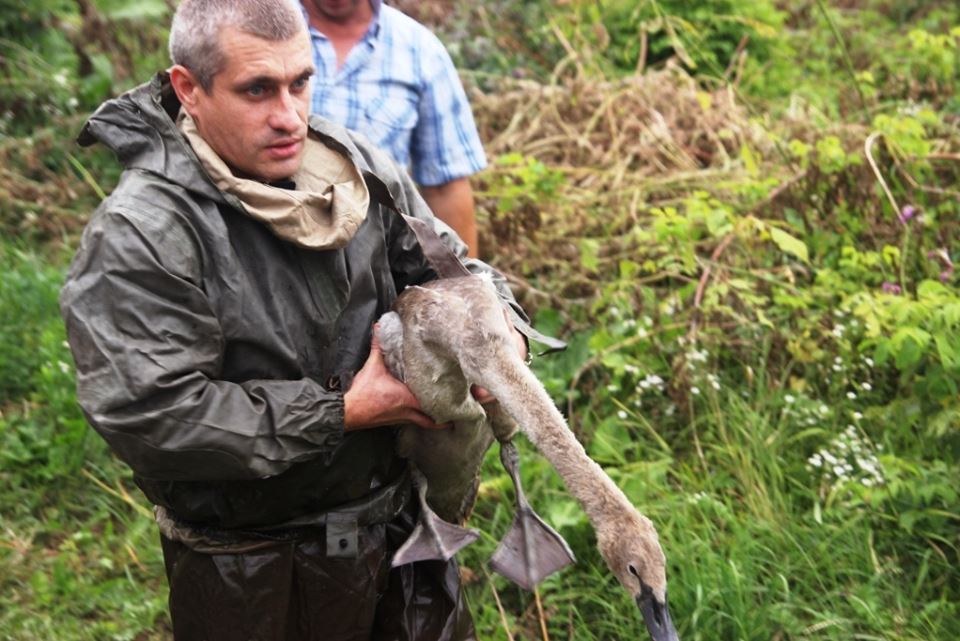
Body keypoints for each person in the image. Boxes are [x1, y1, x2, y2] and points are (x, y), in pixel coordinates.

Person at [59, 1, 533, 639]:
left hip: (401, 536)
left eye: (300, 82)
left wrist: (501, 337)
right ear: (187, 89)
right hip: (252, 571)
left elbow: (454, 272)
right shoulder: (142, 234)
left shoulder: (355, 168)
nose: (289, 116)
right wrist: (344, 411)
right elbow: (152, 414)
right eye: (257, 89)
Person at [301, 0, 486, 257]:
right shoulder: (262, 28)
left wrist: (466, 287)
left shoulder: (420, 50)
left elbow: (446, 187)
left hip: (378, 261)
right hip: (272, 254)